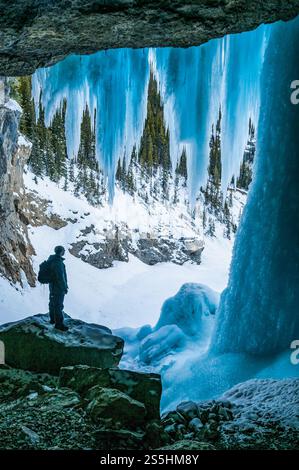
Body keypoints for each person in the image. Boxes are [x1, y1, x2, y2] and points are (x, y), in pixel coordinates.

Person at [48, 246, 69, 331]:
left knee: (53, 303)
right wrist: (64, 288)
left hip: (52, 287)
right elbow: (60, 277)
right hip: (58, 288)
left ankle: (53, 320)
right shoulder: (58, 262)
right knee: (58, 305)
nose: (64, 251)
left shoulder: (51, 260)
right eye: (64, 250)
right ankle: (59, 324)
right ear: (61, 252)